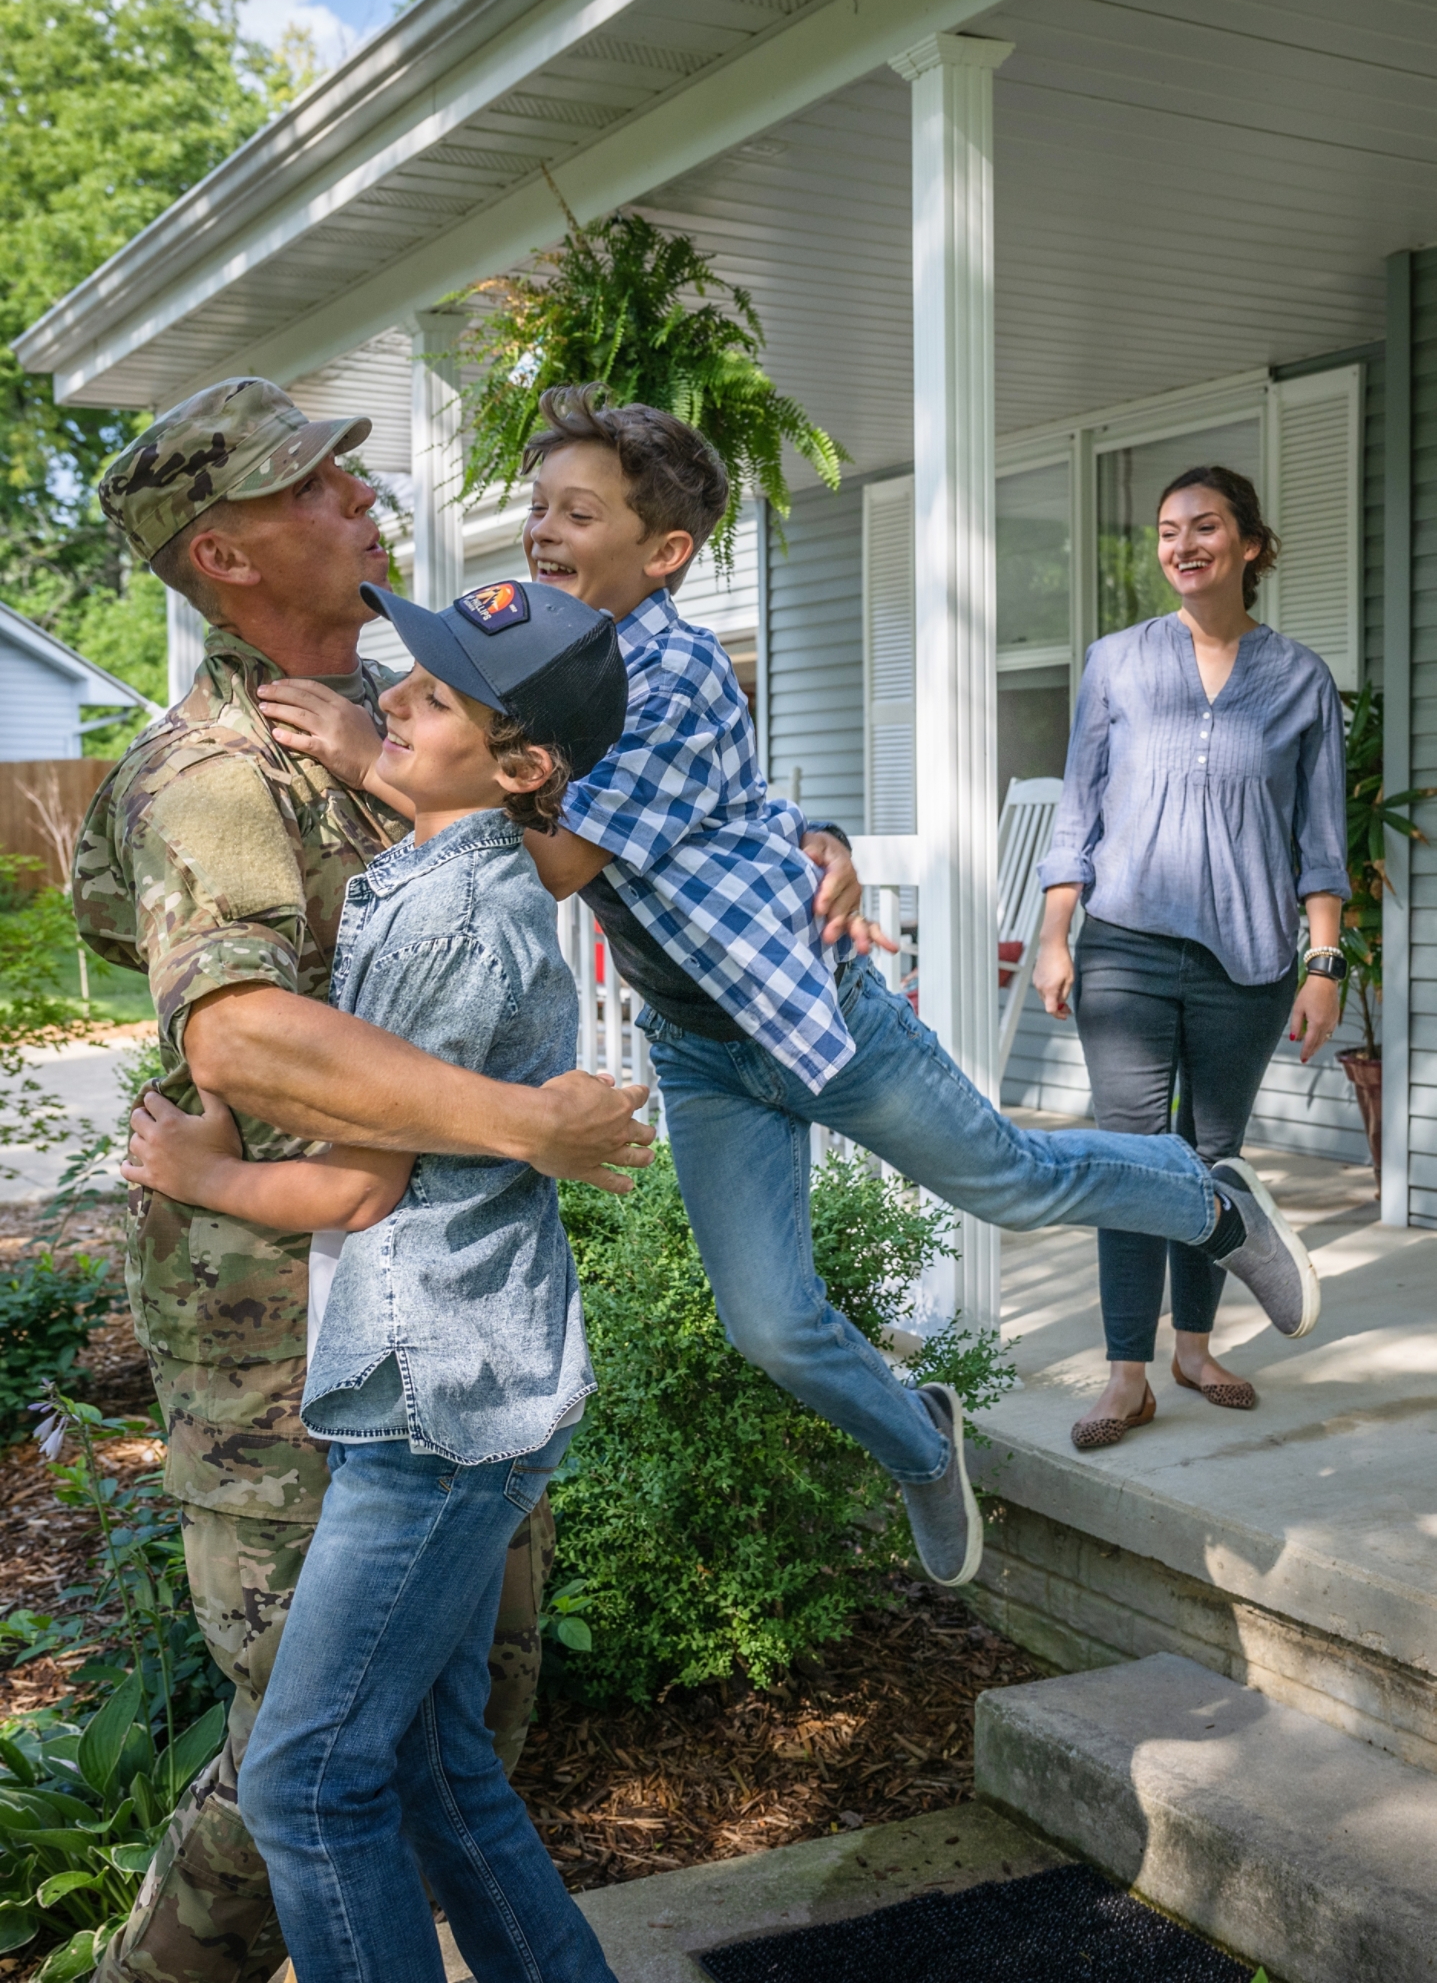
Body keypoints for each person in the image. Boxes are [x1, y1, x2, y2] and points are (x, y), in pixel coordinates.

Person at [263, 386, 1322, 1598]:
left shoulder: (667, 673)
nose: (544, 531)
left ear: (664, 553)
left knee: (1013, 1183)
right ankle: (922, 1436)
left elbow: (550, 859)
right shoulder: (525, 656)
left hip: (814, 1011)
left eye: (579, 511)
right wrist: (809, 829)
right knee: (769, 1323)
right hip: (705, 1045)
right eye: (539, 506)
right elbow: (530, 744)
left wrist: (362, 752)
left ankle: (1209, 1196)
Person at [77, 379, 655, 1983]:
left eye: (346, 464)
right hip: (283, 1349)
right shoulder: (213, 775)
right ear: (225, 554)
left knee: (448, 1737)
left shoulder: (414, 718)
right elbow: (246, 1045)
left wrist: (788, 844)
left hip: (426, 1334)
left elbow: (560, 808)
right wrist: (529, 1122)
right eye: (313, 483)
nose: (361, 492)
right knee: (303, 1771)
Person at [1032, 465, 1348, 1449]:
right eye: (1168, 530)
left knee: (1215, 1164)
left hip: (1249, 963)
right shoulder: (1117, 662)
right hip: (1124, 945)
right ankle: (1127, 1373)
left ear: (1249, 545)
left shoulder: (1299, 680)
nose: (1181, 545)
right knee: (1132, 1162)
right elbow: (1078, 809)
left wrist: (1325, 961)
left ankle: (1197, 1348)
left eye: (1204, 527)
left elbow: (1321, 838)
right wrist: (1054, 931)